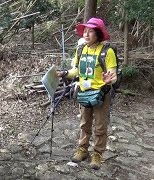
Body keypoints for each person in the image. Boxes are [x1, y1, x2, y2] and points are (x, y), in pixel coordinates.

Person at [57, 17, 117, 170]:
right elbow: (76, 70)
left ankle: (97, 154)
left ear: (98, 34)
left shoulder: (107, 52)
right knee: (84, 123)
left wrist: (110, 79)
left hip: (101, 93)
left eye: (90, 31)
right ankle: (82, 149)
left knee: (100, 125)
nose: (86, 34)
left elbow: (113, 74)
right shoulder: (81, 49)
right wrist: (64, 73)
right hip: (84, 92)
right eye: (85, 31)